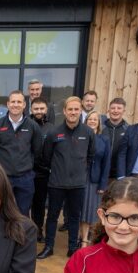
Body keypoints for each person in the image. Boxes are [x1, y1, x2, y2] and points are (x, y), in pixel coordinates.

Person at [39, 96, 94, 259]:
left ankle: (72, 248)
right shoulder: (54, 133)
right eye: (70, 109)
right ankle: (49, 246)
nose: (73, 112)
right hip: (57, 183)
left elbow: (90, 156)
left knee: (74, 217)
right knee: (52, 217)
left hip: (78, 184)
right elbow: (46, 157)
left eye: (76, 109)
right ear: (64, 111)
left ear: (81, 111)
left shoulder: (88, 132)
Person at [0, 90, 42, 216]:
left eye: (19, 102)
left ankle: (20, 236)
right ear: (8, 104)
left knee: (23, 213)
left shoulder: (33, 126)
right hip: (3, 178)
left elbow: (37, 152)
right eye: (13, 101)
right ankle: (2, 236)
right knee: (0, 212)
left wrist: (27, 167)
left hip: (25, 179)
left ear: (24, 105)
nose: (16, 104)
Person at [81, 110, 111, 248]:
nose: (92, 121)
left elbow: (106, 163)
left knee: (92, 210)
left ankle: (92, 239)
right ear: (85, 121)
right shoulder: (80, 137)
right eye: (90, 119)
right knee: (81, 210)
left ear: (99, 123)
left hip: (95, 180)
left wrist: (103, 185)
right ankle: (82, 240)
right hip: (80, 178)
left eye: (95, 119)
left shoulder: (104, 139)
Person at [29, 98, 53, 241]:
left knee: (39, 204)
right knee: (25, 204)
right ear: (31, 110)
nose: (39, 111)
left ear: (46, 109)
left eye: (41, 109)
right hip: (27, 171)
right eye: (36, 109)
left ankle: (38, 230)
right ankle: (25, 230)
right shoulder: (26, 125)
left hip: (43, 173)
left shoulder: (51, 128)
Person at [102, 98, 130, 186]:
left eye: (119, 108)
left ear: (124, 111)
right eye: (113, 108)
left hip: (119, 176)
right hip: (101, 174)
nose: (115, 111)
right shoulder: (101, 128)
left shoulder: (129, 129)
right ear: (108, 110)